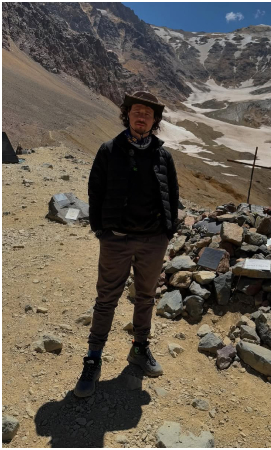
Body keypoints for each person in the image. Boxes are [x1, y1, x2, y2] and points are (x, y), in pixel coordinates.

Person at [77, 92, 180, 398]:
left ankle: (139, 348)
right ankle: (93, 359)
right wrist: (102, 230)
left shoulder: (164, 156)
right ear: (127, 115)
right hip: (116, 240)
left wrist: (167, 231)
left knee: (146, 297)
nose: (141, 117)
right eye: (136, 111)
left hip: (153, 241)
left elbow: (172, 194)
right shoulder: (109, 150)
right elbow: (95, 190)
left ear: (155, 121)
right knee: (106, 299)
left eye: (148, 114)